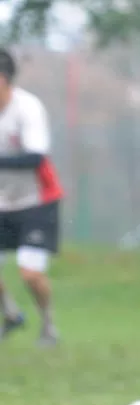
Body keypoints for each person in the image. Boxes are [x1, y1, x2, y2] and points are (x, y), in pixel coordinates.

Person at [0, 48, 63, 345]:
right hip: (2, 202)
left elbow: (36, 157)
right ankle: (11, 314)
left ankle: (48, 326)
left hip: (37, 201)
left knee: (30, 273)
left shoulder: (27, 108)